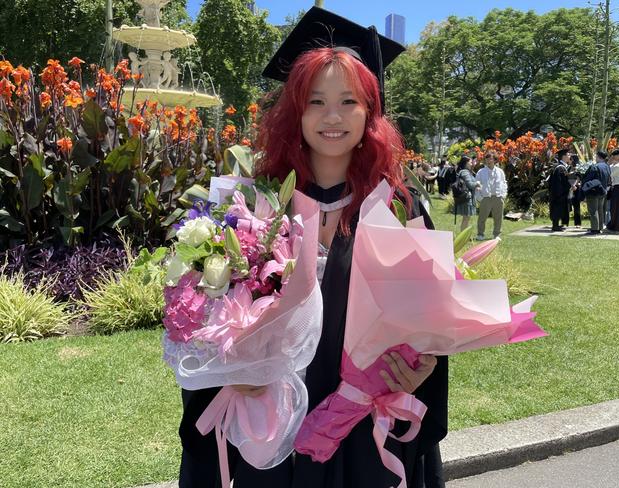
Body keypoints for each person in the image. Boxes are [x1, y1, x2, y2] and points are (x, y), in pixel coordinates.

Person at [177, 7, 448, 488]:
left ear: (371, 111)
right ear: (295, 111)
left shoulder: (400, 208)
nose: (333, 117)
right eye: (315, 102)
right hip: (271, 422)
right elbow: (204, 312)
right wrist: (229, 370)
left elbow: (429, 324)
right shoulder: (254, 205)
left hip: (361, 430)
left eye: (349, 101)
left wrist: (422, 369)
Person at [475, 150, 508, 240]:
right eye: (487, 158)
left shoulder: (500, 171)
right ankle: (480, 234)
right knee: (482, 217)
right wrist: (480, 197)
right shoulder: (481, 171)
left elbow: (504, 183)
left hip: (498, 197)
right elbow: (476, 184)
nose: (489, 160)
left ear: (495, 160)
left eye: (491, 159)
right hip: (485, 197)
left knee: (498, 218)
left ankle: (496, 235)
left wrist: (503, 195)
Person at [581, 150, 611, 234]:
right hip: (603, 191)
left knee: (593, 210)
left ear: (598, 156)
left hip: (593, 191)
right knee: (600, 209)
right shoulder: (607, 166)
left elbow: (588, 179)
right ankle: (600, 227)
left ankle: (594, 229)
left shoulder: (594, 167)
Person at [454, 155, 481, 231]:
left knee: (466, 218)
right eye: (470, 162)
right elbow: (470, 185)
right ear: (466, 163)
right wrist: (477, 183)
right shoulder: (465, 172)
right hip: (467, 198)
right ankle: (462, 236)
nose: (472, 163)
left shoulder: (465, 171)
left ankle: (463, 235)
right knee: (466, 218)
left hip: (467, 197)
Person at [548, 149, 572, 232]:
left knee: (560, 208)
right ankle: (555, 226)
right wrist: (569, 187)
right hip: (559, 193)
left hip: (559, 192)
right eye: (568, 154)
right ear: (564, 156)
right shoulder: (560, 168)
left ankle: (557, 225)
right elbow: (560, 182)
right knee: (557, 208)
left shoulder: (560, 166)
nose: (570, 156)